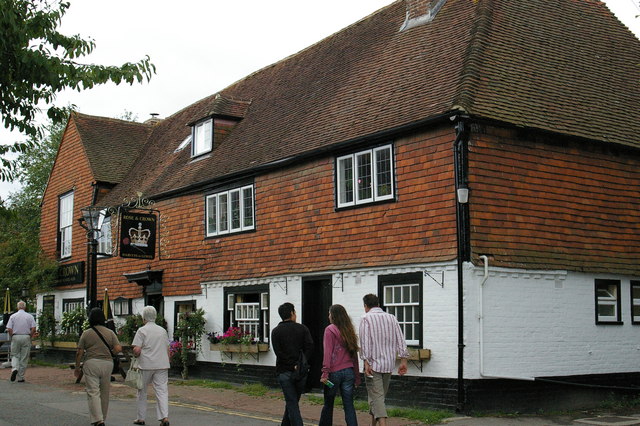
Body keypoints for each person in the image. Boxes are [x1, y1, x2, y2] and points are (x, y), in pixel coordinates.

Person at [359, 294, 410, 426]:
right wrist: (403, 361)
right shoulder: (392, 318)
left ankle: (383, 424)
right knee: (378, 397)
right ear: (378, 304)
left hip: (373, 365)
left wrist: (366, 362)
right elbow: (401, 339)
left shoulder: (365, 318)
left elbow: (365, 343)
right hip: (388, 364)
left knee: (377, 397)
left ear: (365, 306)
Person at [74, 307, 123, 426]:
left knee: (93, 391)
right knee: (105, 392)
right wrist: (111, 353)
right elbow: (118, 348)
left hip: (91, 363)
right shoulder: (110, 332)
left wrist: (77, 367)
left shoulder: (86, 333)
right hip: (107, 363)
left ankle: (98, 419)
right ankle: (103, 417)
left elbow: (79, 352)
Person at [271, 302, 314, 426]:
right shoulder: (303, 329)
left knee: (291, 402)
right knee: (293, 401)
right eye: (294, 312)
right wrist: (300, 363)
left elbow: (278, 353)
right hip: (300, 372)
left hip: (283, 372)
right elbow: (310, 347)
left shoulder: (275, 332)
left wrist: (291, 365)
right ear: (291, 313)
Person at [319, 304, 360, 426]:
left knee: (328, 404)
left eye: (330, 313)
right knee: (349, 405)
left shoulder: (330, 329)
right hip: (349, 372)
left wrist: (325, 372)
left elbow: (328, 353)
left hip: (334, 373)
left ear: (334, 316)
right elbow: (354, 356)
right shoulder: (349, 330)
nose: (328, 315)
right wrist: (357, 377)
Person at [132, 306, 170, 426]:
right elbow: (167, 348)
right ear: (155, 317)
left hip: (146, 364)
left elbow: (137, 350)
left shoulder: (142, 331)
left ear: (144, 318)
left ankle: (141, 418)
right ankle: (164, 417)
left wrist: (135, 353)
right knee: (162, 391)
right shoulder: (162, 330)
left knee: (142, 391)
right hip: (162, 364)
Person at [6, 300, 36, 383]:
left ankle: (15, 368)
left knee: (15, 355)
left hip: (16, 336)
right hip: (26, 336)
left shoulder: (13, 316)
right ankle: (20, 377)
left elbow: (9, 328)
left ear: (17, 307)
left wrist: (12, 335)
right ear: (25, 307)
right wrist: (30, 335)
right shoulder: (29, 316)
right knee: (24, 357)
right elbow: (33, 328)